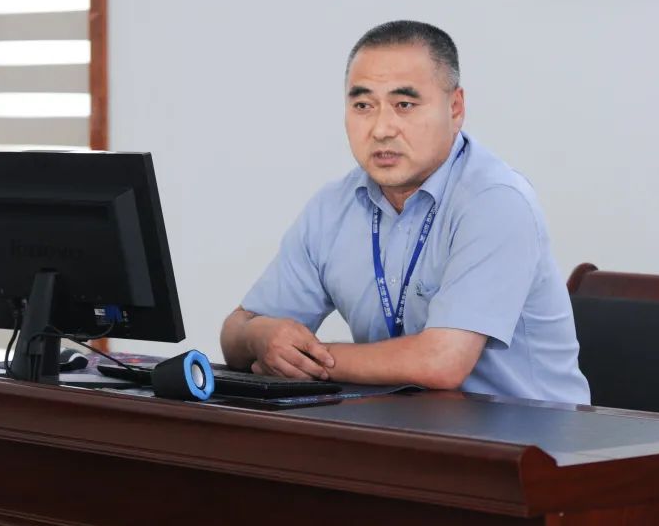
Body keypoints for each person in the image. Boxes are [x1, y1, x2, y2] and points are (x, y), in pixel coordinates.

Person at [220, 20, 590, 404]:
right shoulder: (333, 206)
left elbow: (441, 362)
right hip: (399, 425)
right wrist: (259, 338)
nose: (381, 129)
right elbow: (237, 329)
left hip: (528, 433)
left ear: (455, 108)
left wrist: (303, 360)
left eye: (404, 105)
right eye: (363, 106)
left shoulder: (496, 201)